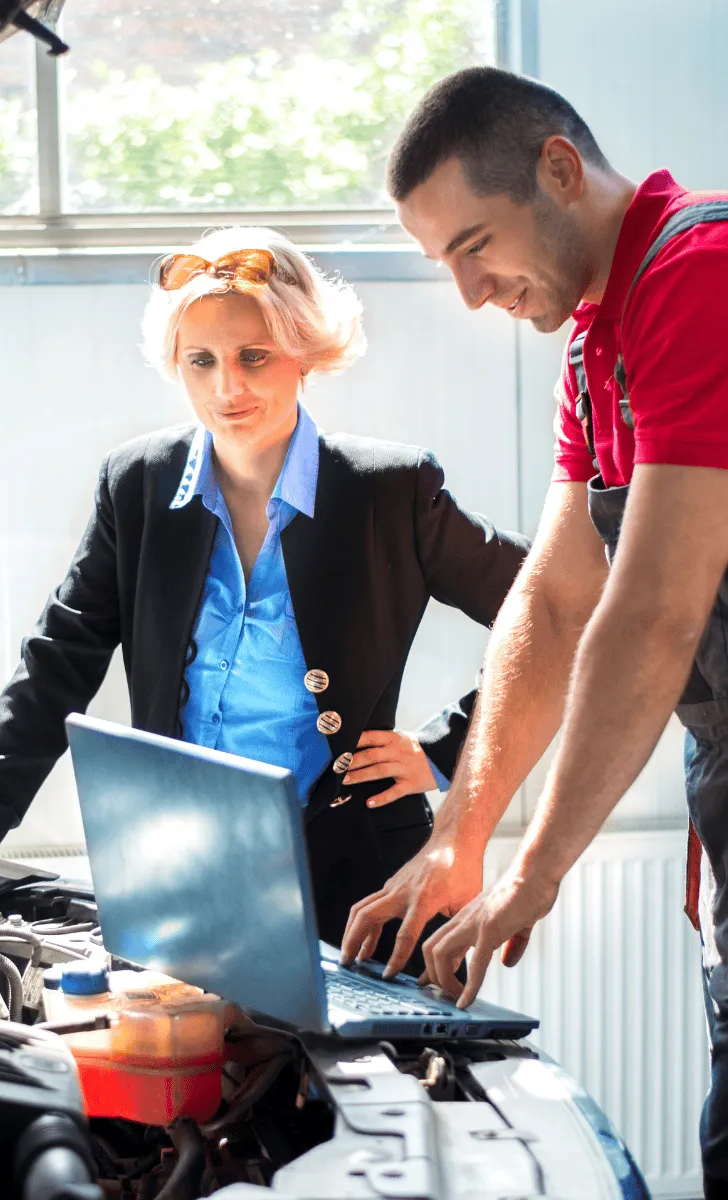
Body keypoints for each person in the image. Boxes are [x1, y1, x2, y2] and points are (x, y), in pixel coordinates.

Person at [0, 225, 528, 972]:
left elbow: (553, 612)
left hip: (361, 885)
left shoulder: (390, 489)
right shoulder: (138, 483)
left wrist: (443, 751)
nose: (228, 388)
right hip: (180, 877)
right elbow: (61, 655)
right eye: (202, 361)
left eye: (255, 357)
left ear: (307, 351)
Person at [338, 66, 728, 1195]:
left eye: (476, 246)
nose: (469, 293)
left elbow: (650, 615)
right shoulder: (596, 343)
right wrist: (463, 832)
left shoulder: (700, 277)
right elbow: (558, 600)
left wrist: (536, 870)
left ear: (559, 169)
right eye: (444, 263)